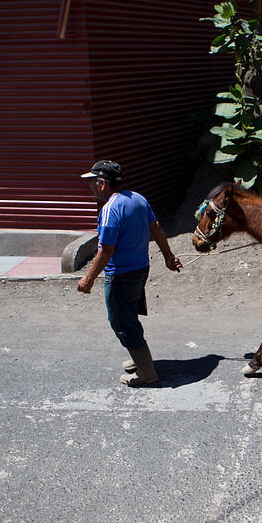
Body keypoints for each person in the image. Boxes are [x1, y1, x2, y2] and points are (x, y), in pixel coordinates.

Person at [77, 160, 182, 386]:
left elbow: (105, 251)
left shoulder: (109, 209)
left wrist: (88, 279)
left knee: (122, 322)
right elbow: (157, 229)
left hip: (120, 276)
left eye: (92, 184)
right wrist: (168, 256)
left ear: (102, 184)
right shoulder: (138, 199)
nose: (90, 188)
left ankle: (147, 372)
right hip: (140, 270)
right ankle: (139, 358)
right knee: (129, 315)